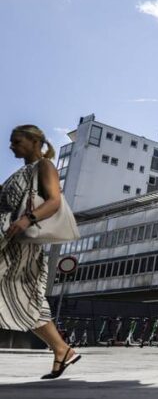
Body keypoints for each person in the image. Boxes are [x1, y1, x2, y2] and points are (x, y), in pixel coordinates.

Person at [1, 125, 81, 379]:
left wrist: (28, 219)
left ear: (35, 142)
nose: (12, 146)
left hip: (20, 243)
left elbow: (54, 200)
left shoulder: (44, 167)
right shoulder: (21, 172)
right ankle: (62, 349)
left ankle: (62, 349)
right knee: (24, 298)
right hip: (8, 239)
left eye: (17, 141)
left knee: (22, 296)